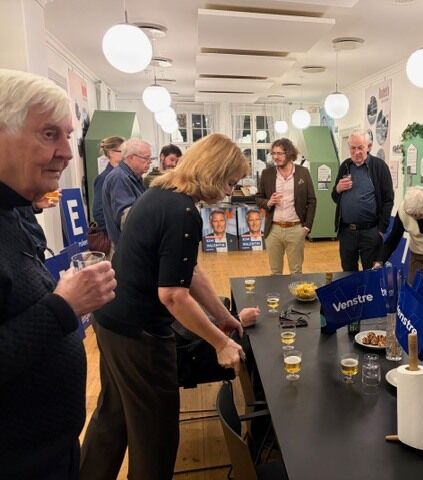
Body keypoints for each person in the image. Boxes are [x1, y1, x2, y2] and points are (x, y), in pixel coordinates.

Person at [80, 133, 247, 480]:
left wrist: (224, 317)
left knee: (113, 416)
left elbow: (191, 271)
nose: (229, 191)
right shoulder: (182, 211)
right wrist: (220, 342)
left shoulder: (160, 192)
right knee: (155, 435)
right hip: (138, 333)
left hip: (111, 319)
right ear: (214, 172)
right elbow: (172, 295)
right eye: (230, 182)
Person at [0, 68, 116, 479]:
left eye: (67, 135)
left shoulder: (15, 210)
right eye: (49, 134)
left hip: (52, 451)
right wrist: (64, 306)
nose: (67, 152)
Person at [332, 130, 394, 271]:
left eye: (360, 147)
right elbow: (335, 197)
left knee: (370, 273)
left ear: (369, 147)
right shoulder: (345, 166)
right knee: (348, 272)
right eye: (353, 148)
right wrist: (338, 189)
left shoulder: (379, 167)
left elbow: (388, 200)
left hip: (370, 232)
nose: (356, 152)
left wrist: (381, 230)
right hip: (347, 232)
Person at [256, 138, 316, 275]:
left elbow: (312, 200)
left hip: (296, 229)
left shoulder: (303, 172)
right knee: (275, 272)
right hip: (273, 230)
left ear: (289, 153)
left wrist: (307, 227)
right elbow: (258, 198)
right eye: (273, 153)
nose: (275, 157)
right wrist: (269, 202)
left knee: (296, 271)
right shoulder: (267, 174)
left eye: (279, 153)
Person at [101, 138, 151, 247]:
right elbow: (127, 219)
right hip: (128, 248)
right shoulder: (119, 178)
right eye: (146, 158)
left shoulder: (135, 178)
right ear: (131, 157)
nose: (149, 162)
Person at [92, 136, 124, 232]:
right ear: (111, 153)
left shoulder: (124, 175)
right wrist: (113, 233)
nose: (126, 154)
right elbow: (98, 211)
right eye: (122, 151)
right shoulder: (104, 178)